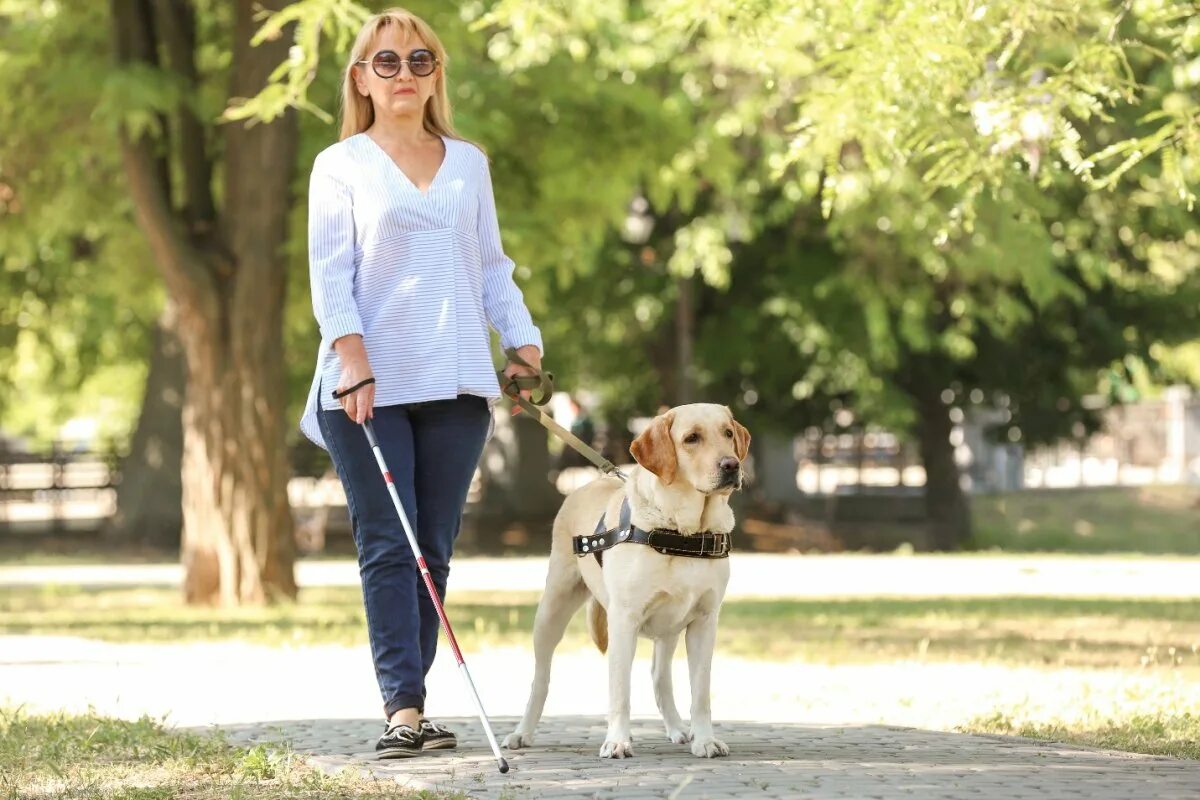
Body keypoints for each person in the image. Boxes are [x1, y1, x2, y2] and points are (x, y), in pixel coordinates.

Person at [297, 7, 544, 760]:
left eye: (419, 60)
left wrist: (525, 343)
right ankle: (402, 709)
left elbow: (491, 266)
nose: (404, 73)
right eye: (387, 62)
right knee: (387, 543)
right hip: (364, 385)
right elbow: (330, 276)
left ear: (436, 75)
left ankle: (417, 700)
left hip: (458, 381)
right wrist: (354, 360)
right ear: (361, 80)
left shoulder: (468, 163)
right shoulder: (339, 166)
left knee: (432, 548)